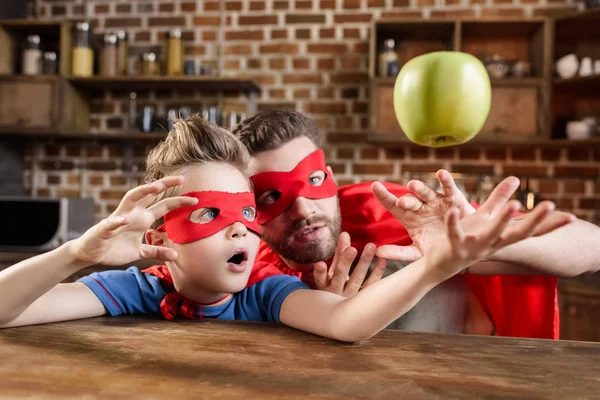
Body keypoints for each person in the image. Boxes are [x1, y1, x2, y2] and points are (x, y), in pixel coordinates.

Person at [0, 116, 564, 342]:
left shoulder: (265, 293)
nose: (241, 232)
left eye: (246, 215)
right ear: (158, 239)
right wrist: (77, 253)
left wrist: (437, 265)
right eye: (207, 215)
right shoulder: (134, 290)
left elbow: (345, 322)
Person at [232, 109, 600, 339]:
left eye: (312, 182)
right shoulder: (246, 269)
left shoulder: (391, 214)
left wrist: (480, 243)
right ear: (247, 211)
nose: (301, 208)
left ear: (330, 176)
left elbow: (592, 247)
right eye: (270, 197)